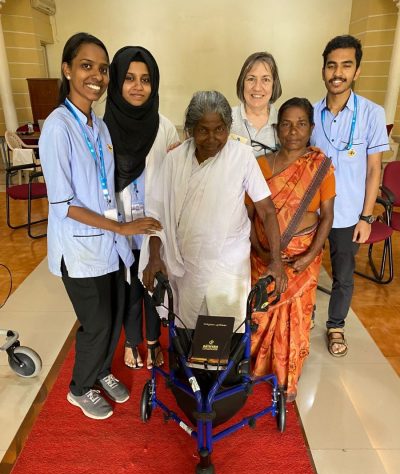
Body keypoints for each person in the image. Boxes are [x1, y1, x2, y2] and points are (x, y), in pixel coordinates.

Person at [39, 33, 162, 420]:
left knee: (112, 318)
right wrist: (124, 230)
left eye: (102, 69)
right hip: (79, 249)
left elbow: (107, 189)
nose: (96, 76)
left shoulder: (99, 126)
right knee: (95, 324)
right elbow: (63, 204)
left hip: (108, 243)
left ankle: (102, 371)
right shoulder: (58, 128)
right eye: (86, 66)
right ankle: (79, 388)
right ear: (67, 70)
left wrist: (122, 230)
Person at [140, 91, 287, 331]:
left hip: (227, 263)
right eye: (203, 130)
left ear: (228, 127)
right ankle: (190, 370)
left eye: (219, 129)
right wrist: (155, 256)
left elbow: (267, 210)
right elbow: (157, 212)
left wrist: (276, 260)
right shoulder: (174, 160)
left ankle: (224, 370)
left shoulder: (242, 156)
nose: (212, 138)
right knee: (188, 332)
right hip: (185, 264)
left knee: (225, 335)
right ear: (189, 130)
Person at [249, 97, 335, 401]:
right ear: (276, 128)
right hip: (263, 257)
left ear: (311, 128)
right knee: (262, 315)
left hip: (303, 258)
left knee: (295, 318)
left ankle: (287, 378)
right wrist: (259, 250)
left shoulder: (320, 166)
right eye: (286, 123)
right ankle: (258, 367)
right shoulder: (259, 165)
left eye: (301, 124)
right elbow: (248, 216)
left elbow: (327, 216)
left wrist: (310, 256)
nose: (293, 130)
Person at [311, 35, 389, 357]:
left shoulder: (372, 113)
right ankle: (304, 318)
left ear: (356, 71)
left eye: (346, 65)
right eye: (332, 65)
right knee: (306, 270)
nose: (337, 72)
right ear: (324, 70)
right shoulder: (311, 113)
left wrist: (366, 217)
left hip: (348, 214)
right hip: (314, 214)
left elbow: (374, 170)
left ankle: (336, 326)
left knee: (343, 275)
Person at [104, 46, 179, 370]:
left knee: (152, 288)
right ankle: (132, 342)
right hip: (117, 226)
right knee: (128, 291)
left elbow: (174, 181)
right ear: (117, 81)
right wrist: (113, 226)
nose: (138, 86)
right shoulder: (102, 126)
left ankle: (152, 342)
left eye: (146, 79)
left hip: (152, 227)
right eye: (130, 78)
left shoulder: (164, 128)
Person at [230, 52, 282, 157]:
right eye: (251, 79)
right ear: (242, 83)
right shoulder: (226, 119)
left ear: (274, 85)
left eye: (265, 80)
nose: (257, 88)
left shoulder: (284, 122)